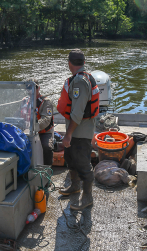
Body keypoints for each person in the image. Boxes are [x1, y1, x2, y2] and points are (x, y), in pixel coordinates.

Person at [57, 49, 100, 210]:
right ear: (82, 62)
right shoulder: (81, 78)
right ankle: (75, 186)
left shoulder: (80, 82)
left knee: (83, 164)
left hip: (81, 133)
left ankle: (87, 197)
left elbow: (78, 111)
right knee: (71, 158)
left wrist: (67, 135)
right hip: (75, 131)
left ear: (69, 63)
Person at [26, 78, 54, 165]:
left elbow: (46, 120)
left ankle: (47, 170)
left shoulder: (46, 102)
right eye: (29, 88)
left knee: (47, 147)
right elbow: (18, 115)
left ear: (39, 88)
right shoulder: (25, 101)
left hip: (44, 132)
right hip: (27, 131)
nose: (31, 90)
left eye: (34, 87)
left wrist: (34, 127)